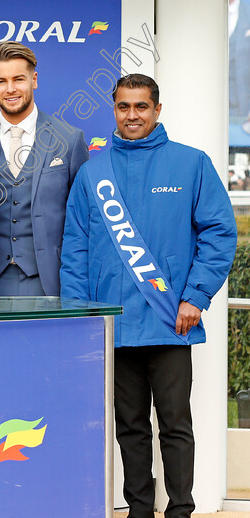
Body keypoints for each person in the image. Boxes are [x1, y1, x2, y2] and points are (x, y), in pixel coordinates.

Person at [60, 74, 237, 518]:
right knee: (130, 428)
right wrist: (84, 316)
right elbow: (75, 250)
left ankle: (180, 510)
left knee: (176, 426)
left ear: (158, 110)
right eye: (123, 106)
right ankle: (139, 509)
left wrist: (196, 296)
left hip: (171, 321)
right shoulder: (92, 174)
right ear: (114, 109)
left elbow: (220, 234)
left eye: (141, 106)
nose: (132, 115)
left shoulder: (191, 164)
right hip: (114, 326)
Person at [0, 41, 88, 296]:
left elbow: (84, 220)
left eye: (18, 79)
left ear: (34, 79)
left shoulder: (69, 139)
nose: (10, 89)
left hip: (49, 283)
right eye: (1, 81)